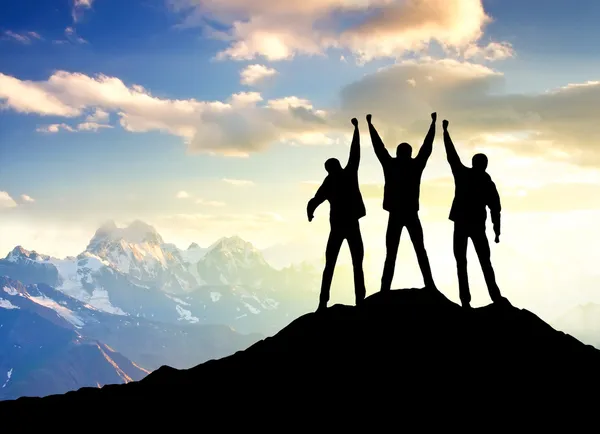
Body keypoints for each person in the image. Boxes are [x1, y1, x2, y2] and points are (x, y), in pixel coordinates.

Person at [442, 119, 509, 308]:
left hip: (462, 224)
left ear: (474, 163)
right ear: (485, 165)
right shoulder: (488, 184)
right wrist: (497, 231)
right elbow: (496, 209)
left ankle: (466, 301)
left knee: (461, 263)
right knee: (484, 262)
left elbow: (451, 156)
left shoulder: (463, 175)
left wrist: (445, 132)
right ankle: (494, 296)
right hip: (477, 226)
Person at [366, 112, 437, 292]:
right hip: (409, 214)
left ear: (398, 153)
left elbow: (379, 147)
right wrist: (433, 124)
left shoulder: (391, 165)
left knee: (392, 253)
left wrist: (370, 125)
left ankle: (385, 289)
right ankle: (429, 285)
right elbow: (427, 147)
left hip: (397, 214)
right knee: (419, 250)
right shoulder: (415, 165)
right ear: (409, 153)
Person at [307, 117, 367, 311]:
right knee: (356, 263)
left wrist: (310, 213)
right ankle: (360, 301)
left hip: (338, 227)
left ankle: (322, 303)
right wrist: (357, 129)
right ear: (337, 166)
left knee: (331, 265)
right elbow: (355, 152)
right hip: (351, 225)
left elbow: (314, 201)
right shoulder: (348, 174)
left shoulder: (329, 181)